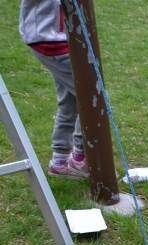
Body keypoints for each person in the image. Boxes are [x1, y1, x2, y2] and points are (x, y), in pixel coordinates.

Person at [18, 0, 88, 179]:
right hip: (50, 39)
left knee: (70, 100)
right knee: (92, 97)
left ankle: (60, 160)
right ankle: (80, 158)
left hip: (60, 38)